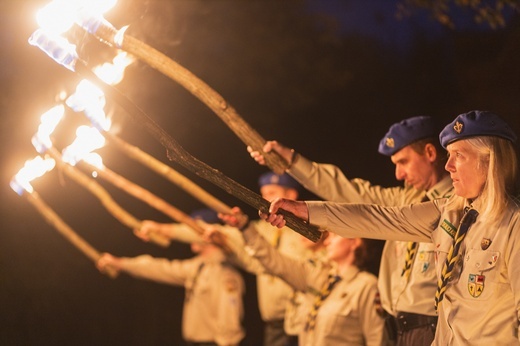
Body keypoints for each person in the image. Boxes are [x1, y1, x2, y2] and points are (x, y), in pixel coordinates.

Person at [262, 110, 520, 345]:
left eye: (459, 156)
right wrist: (306, 211)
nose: (448, 165)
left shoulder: (513, 224)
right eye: (449, 155)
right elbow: (375, 217)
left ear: (490, 160)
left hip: (427, 327)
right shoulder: (446, 211)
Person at [248, 115, 453, 345]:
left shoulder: (459, 205)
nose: (398, 175)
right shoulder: (405, 198)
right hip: (397, 328)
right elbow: (348, 192)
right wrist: (291, 161)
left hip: (434, 327)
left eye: (403, 162)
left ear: (430, 153)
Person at [135, 173, 309, 346]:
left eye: (272, 193)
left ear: (292, 195)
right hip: (275, 322)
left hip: (305, 317)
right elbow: (206, 232)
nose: (266, 199)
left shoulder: (306, 231)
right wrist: (162, 229)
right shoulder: (258, 231)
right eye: (264, 193)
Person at [222, 208, 385, 345]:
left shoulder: (365, 286)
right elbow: (274, 261)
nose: (327, 241)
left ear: (355, 242)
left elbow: (376, 338)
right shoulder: (320, 277)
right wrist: (245, 228)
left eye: (335, 236)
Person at [96, 212, 246, 346]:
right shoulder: (198, 266)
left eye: (190, 232)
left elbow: (229, 318)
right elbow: (159, 268)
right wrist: (120, 263)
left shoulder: (224, 272)